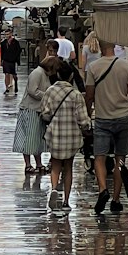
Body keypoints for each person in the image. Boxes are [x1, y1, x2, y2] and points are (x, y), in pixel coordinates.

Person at [85, 41, 128, 213]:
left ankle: (103, 190)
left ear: (100, 47)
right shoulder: (127, 66)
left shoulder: (93, 67)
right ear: (115, 47)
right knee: (120, 159)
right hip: (123, 117)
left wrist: (87, 115)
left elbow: (89, 95)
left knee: (99, 157)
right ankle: (116, 199)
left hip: (102, 118)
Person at [40, 65, 93, 210]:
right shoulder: (76, 94)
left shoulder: (50, 91)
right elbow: (83, 119)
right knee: (68, 167)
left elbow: (44, 113)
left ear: (57, 74)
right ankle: (66, 201)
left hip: (55, 134)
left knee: (55, 164)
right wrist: (87, 125)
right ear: (71, 77)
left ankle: (54, 189)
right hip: (71, 136)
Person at [13, 52, 57, 172]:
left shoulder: (44, 74)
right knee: (28, 138)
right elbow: (33, 91)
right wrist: (48, 95)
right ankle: (28, 164)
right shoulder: (37, 73)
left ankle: (38, 163)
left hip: (38, 110)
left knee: (36, 139)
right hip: (30, 109)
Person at [0, 26, 22, 95]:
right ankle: (6, 88)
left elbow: (18, 51)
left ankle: (15, 83)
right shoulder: (3, 43)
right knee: (6, 74)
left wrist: (16, 59)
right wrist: (1, 60)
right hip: (6, 60)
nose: (7, 36)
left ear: (11, 34)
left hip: (12, 60)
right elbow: (2, 52)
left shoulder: (15, 42)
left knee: (14, 74)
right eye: (6, 34)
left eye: (8, 34)